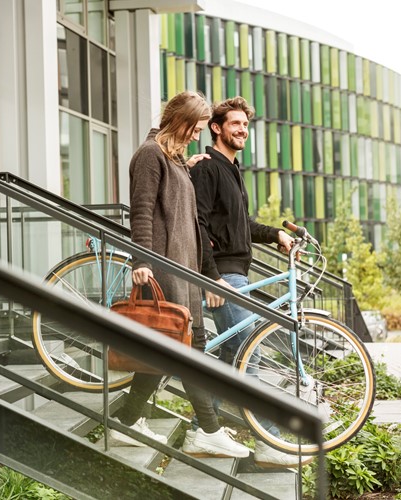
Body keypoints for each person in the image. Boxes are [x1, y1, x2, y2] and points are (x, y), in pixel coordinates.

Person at [118, 90, 248, 459]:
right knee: (186, 349)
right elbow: (141, 210)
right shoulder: (149, 155)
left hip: (185, 269)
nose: (197, 135)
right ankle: (208, 430)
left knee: (175, 347)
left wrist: (207, 273)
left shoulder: (172, 159)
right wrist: (140, 260)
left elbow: (190, 223)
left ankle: (128, 420)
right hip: (163, 266)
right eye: (196, 128)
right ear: (181, 121)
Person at [190, 96, 309, 468]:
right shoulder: (208, 168)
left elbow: (239, 226)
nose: (242, 130)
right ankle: (270, 440)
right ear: (216, 127)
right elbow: (197, 225)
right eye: (235, 124)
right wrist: (210, 279)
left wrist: (276, 233)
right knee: (250, 351)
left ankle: (201, 430)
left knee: (233, 355)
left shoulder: (233, 170)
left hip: (235, 272)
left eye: (245, 125)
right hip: (223, 275)